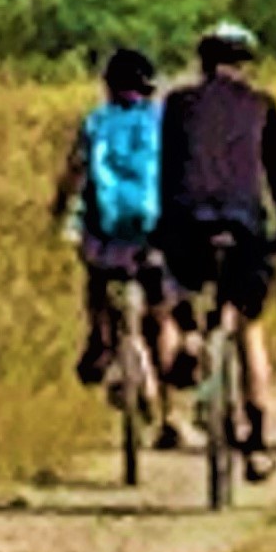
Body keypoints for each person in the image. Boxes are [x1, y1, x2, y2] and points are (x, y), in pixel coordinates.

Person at [157, 21, 276, 483]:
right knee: (250, 328)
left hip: (187, 218)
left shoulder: (177, 104)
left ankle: (191, 336)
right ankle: (257, 444)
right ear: (246, 63)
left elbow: (167, 169)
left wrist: (164, 226)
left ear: (202, 61)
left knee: (178, 286)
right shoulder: (261, 105)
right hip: (242, 221)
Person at [48, 48, 182, 450]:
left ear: (108, 85)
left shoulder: (96, 123)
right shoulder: (162, 122)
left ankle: (100, 342)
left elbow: (75, 174)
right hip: (153, 235)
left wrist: (58, 211)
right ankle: (170, 413)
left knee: (98, 287)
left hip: (106, 237)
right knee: (161, 315)